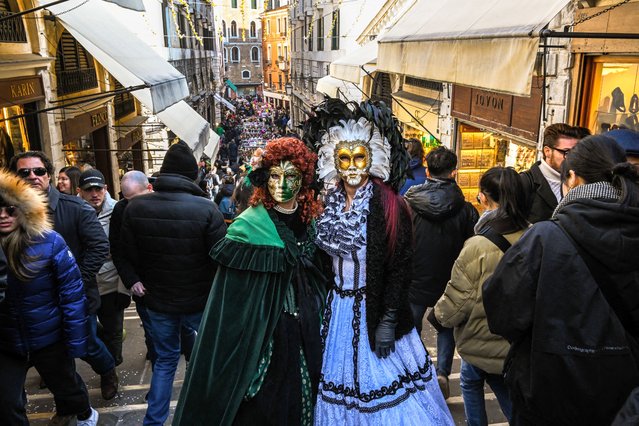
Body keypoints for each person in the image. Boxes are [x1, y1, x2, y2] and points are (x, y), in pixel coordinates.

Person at [306, 99, 454, 424]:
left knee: (385, 388)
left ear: (373, 157)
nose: (353, 166)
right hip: (337, 313)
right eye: (344, 159)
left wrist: (388, 319)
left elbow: (400, 267)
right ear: (334, 160)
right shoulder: (325, 204)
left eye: (360, 157)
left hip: (375, 312)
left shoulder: (389, 205)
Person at [483, 135, 639, 425]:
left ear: (573, 178)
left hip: (551, 390)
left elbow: (502, 312)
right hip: (623, 397)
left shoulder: (546, 238)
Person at [174, 137, 328, 426]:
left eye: (291, 176)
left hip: (308, 328)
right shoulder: (248, 228)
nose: (283, 184)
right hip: (265, 339)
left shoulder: (311, 224)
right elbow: (230, 309)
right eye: (275, 175)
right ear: (264, 179)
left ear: (304, 181)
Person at [121, 141, 227, 425]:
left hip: (157, 301)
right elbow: (221, 259)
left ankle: (154, 422)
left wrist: (133, 280)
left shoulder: (135, 208)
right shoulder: (207, 209)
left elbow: (124, 252)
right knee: (206, 359)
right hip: (199, 301)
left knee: (165, 362)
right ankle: (208, 416)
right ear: (193, 176)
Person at [8, 152, 115, 402]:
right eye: (24, 173)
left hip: (75, 298)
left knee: (86, 345)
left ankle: (107, 369)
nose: (32, 177)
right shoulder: (9, 213)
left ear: (49, 176)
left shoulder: (75, 208)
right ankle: (67, 400)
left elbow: (99, 246)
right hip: (32, 304)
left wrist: (75, 280)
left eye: (39, 171)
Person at [0, 169, 98, 426]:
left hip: (48, 337)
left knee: (68, 388)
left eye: (10, 209)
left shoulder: (49, 241)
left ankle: (85, 413)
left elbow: (72, 294)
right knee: (8, 404)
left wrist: (76, 341)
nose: (3, 215)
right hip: (7, 341)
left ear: (23, 209)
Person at [432, 166, 529, 425]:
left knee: (471, 381)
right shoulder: (534, 234)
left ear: (484, 198)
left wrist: (438, 315)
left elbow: (458, 298)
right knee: (507, 396)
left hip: (480, 336)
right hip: (517, 340)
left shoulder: (478, 244)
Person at [404, 146, 478, 399]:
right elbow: (472, 246)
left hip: (415, 276)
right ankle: (442, 372)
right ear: (454, 173)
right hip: (450, 279)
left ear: (427, 170)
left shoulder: (409, 204)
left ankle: (415, 369)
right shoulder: (466, 210)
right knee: (446, 327)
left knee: (411, 328)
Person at [78, 169, 131, 367]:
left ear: (106, 189)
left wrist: (124, 288)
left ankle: (112, 369)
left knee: (114, 330)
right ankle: (105, 366)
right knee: (87, 333)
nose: (94, 194)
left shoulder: (118, 210)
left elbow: (125, 253)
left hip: (111, 284)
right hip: (84, 285)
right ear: (80, 191)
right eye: (89, 189)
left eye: (98, 189)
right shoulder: (74, 210)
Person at [520, 123, 580, 223]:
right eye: (567, 153)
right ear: (547, 151)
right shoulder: (525, 182)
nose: (572, 158)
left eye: (576, 152)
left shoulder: (581, 180)